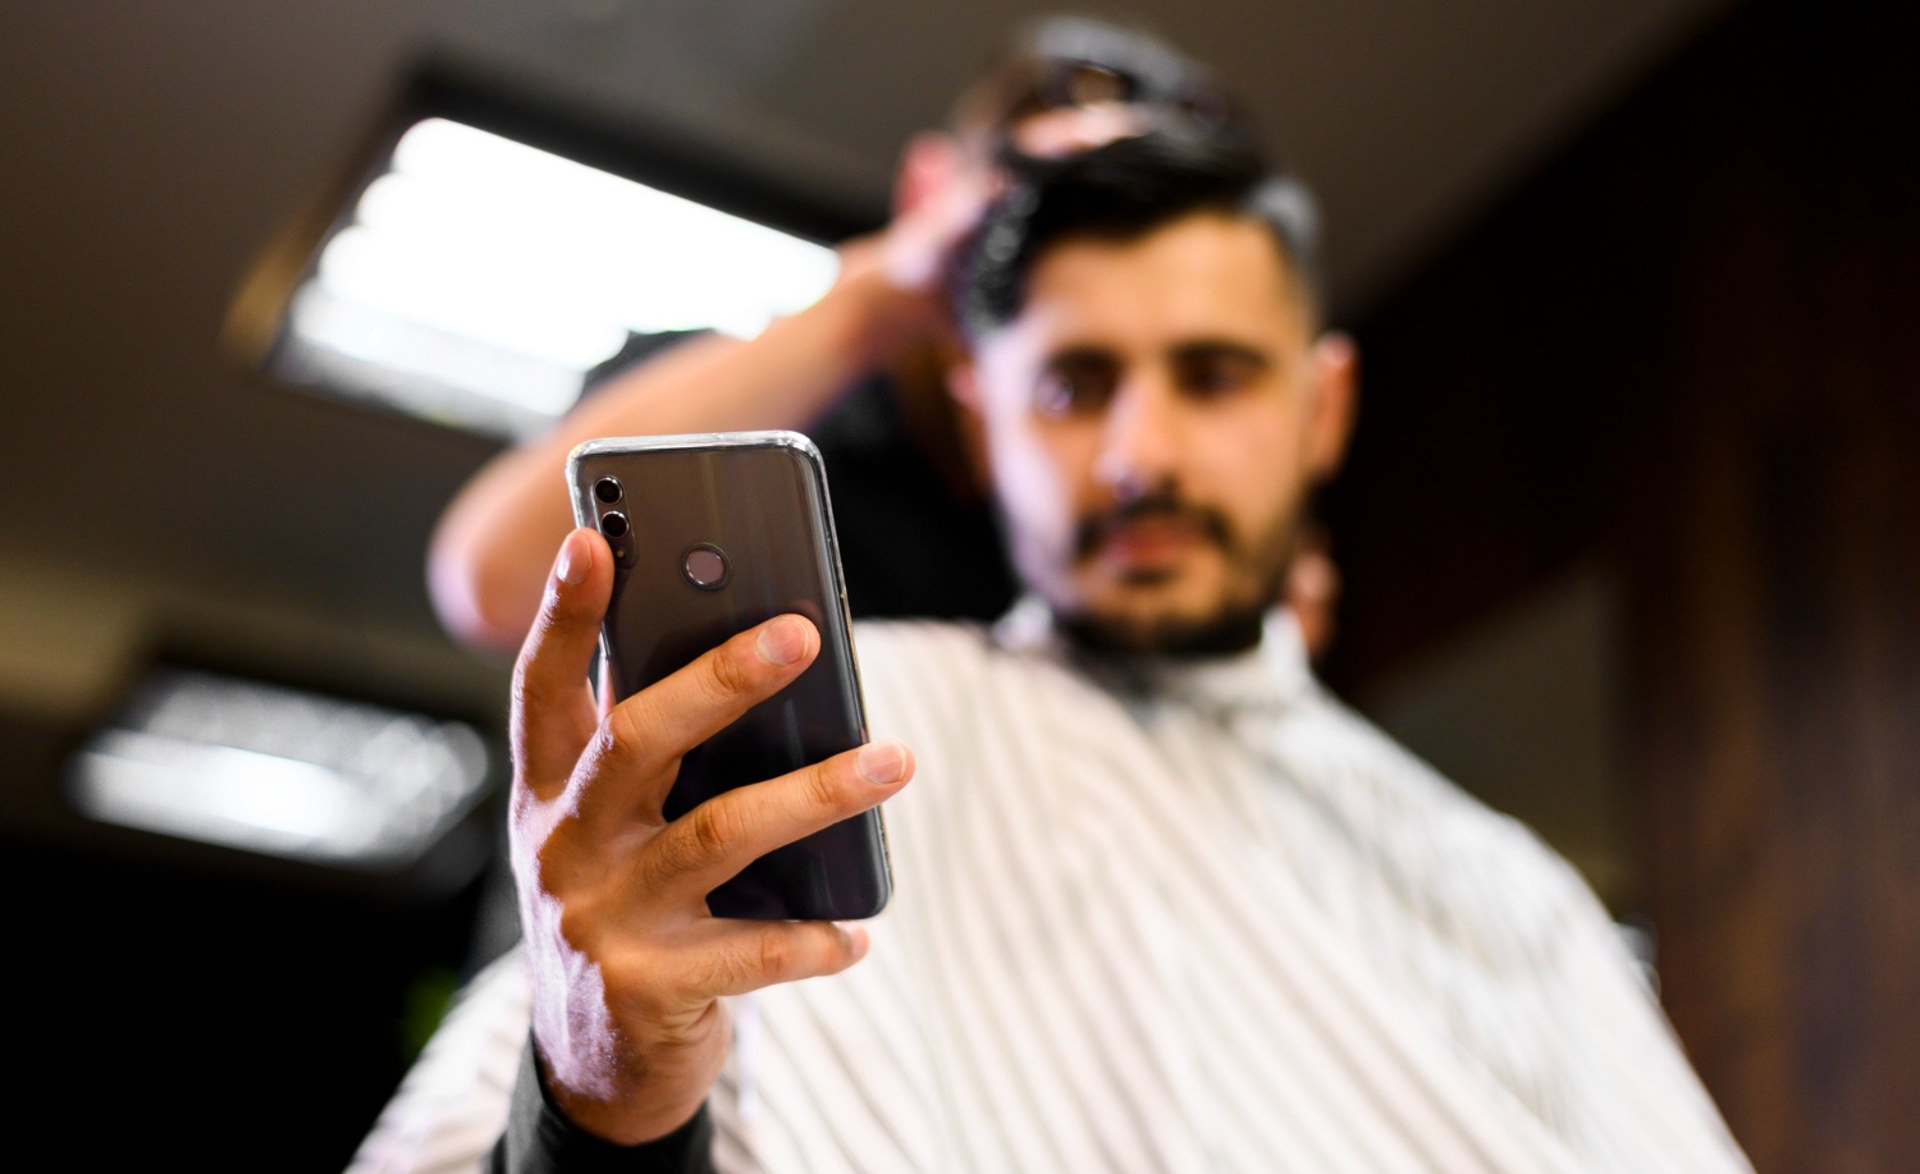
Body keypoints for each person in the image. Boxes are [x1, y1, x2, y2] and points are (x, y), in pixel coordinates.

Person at [353, 130, 1752, 1172]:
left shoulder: (1508, 894)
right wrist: (606, 1098)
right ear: (983, 415)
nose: (1143, 455)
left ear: (1324, 408)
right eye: (1076, 387)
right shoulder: (820, 734)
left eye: (1214, 376)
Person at [424, 16, 1291, 651]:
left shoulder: (1108, 494)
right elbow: (496, 585)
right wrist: (880, 297)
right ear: (928, 189)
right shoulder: (734, 408)